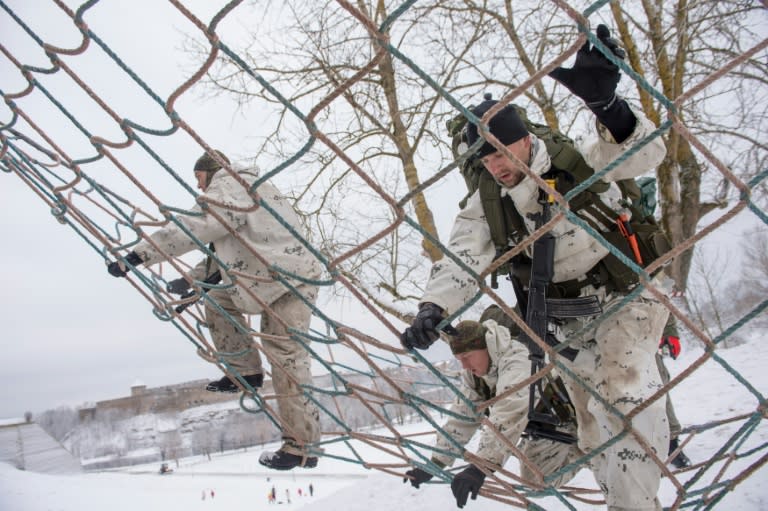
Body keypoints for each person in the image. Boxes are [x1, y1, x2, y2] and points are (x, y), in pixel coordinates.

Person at [402, 25, 671, 510]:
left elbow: (648, 153)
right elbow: (463, 257)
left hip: (625, 298)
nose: (496, 167)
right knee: (590, 426)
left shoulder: (578, 162)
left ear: (524, 140)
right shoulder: (488, 202)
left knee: (626, 396)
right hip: (565, 321)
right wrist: (432, 306)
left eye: (501, 153)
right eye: (484, 161)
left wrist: (609, 108)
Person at [107, 150, 322, 470]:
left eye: (199, 179)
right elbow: (227, 248)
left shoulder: (229, 184)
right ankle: (245, 372)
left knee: (286, 357)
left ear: (211, 171)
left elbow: (201, 225)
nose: (200, 188)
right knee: (218, 298)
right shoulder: (245, 188)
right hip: (271, 275)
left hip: (287, 283)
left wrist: (138, 256)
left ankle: (302, 446)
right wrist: (194, 282)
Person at [403, 306, 583, 508]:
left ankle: (589, 449)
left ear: (486, 346)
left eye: (468, 357)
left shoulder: (519, 359)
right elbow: (462, 416)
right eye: (459, 360)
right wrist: (435, 464)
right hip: (540, 427)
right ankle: (587, 450)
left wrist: (480, 468)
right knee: (535, 480)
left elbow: (508, 411)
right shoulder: (475, 374)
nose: (464, 365)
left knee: (605, 464)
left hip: (569, 420)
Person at [658, 316, 691, 468]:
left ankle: (672, 444)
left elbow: (659, 298)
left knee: (658, 387)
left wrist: (669, 332)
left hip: (642, 340)